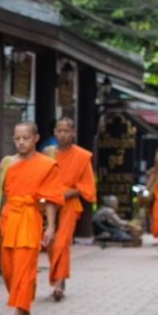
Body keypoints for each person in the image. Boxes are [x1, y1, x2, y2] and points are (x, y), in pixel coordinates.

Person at [0, 122, 64, 315]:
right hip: (8, 219)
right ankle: (24, 300)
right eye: (17, 138)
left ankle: (18, 313)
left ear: (36, 138)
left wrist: (51, 227)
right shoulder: (8, 163)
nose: (21, 142)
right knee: (9, 269)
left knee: (24, 266)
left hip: (29, 218)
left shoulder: (46, 165)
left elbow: (49, 199)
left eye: (25, 137)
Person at [43, 117, 95, 301]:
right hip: (49, 202)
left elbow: (87, 187)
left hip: (69, 203)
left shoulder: (82, 156)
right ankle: (60, 274)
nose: (62, 134)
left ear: (73, 133)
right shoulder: (48, 153)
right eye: (59, 130)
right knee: (49, 242)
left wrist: (67, 193)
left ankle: (59, 282)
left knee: (61, 242)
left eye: (66, 131)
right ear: (54, 132)